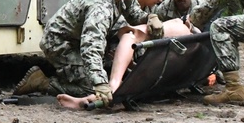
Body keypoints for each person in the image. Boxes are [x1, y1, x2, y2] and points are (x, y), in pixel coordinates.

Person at [12, 0, 149, 106]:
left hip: (76, 38)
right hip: (59, 42)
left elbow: (134, 14)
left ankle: (72, 73)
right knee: (91, 89)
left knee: (101, 74)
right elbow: (91, 46)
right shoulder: (100, 8)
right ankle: (42, 82)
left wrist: (150, 18)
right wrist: (100, 83)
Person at [55, 17, 194, 110]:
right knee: (136, 79)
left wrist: (114, 81)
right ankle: (93, 97)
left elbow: (131, 35)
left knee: (128, 39)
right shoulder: (194, 44)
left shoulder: (178, 26)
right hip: (169, 73)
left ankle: (104, 91)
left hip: (162, 63)